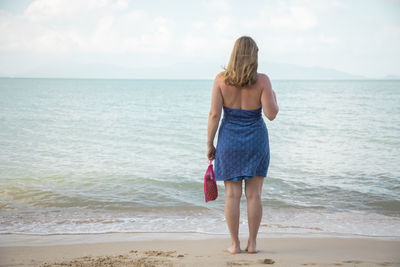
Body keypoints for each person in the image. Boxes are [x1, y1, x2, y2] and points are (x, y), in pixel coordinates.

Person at [206, 36, 279, 254]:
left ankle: (235, 245)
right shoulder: (263, 80)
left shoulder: (220, 80)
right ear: (253, 56)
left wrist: (209, 143)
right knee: (254, 195)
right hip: (256, 140)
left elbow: (214, 115)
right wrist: (273, 95)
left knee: (232, 195)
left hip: (229, 140)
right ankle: (253, 244)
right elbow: (271, 114)